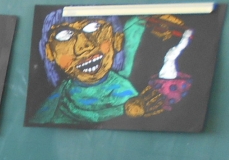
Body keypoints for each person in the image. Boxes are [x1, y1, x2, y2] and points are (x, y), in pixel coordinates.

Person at [31, 12, 165, 125]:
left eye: (94, 27)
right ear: (50, 52)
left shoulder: (123, 89)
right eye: (65, 35)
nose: (84, 46)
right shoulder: (57, 99)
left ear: (117, 40)